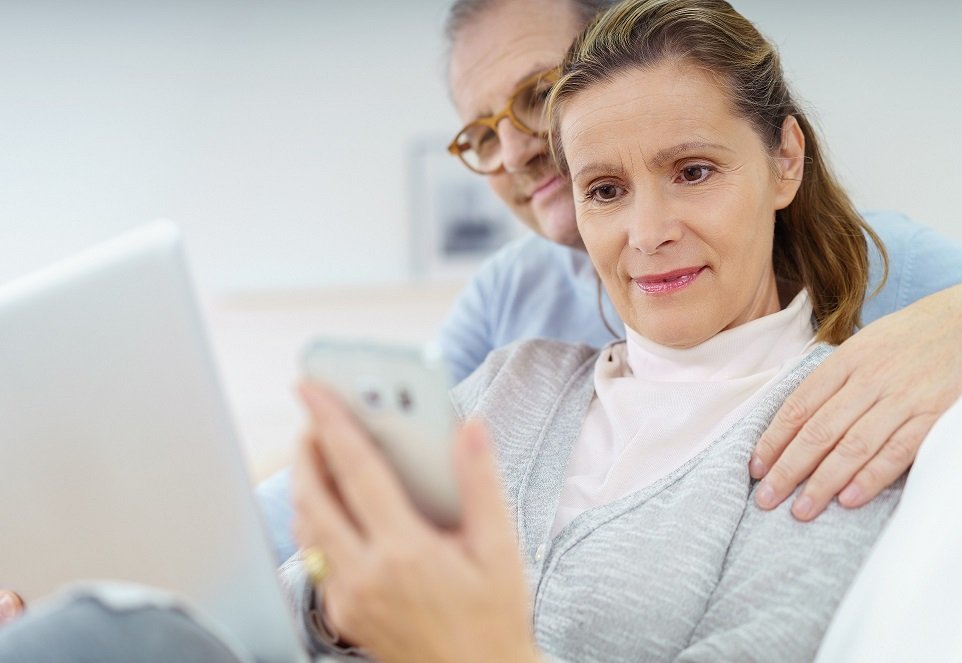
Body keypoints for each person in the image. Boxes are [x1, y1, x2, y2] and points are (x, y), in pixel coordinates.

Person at [283, 0, 905, 659]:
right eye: (606, 190)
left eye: (692, 171)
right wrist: (338, 589)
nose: (649, 233)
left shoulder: (844, 426)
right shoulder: (516, 379)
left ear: (785, 160)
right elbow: (294, 588)